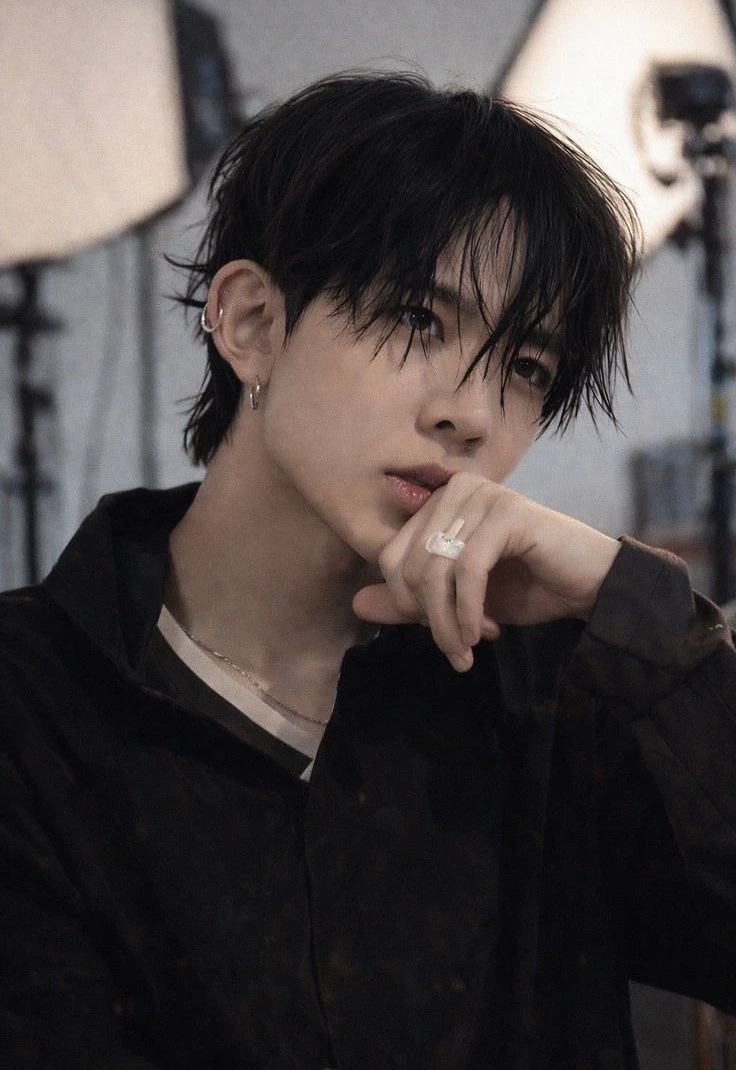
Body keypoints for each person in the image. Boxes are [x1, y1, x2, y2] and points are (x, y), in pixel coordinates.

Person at [1, 72, 734, 1070]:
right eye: (419, 319)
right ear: (252, 323)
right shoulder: (34, 705)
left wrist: (635, 608)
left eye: (525, 367)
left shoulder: (550, 688)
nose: (469, 414)